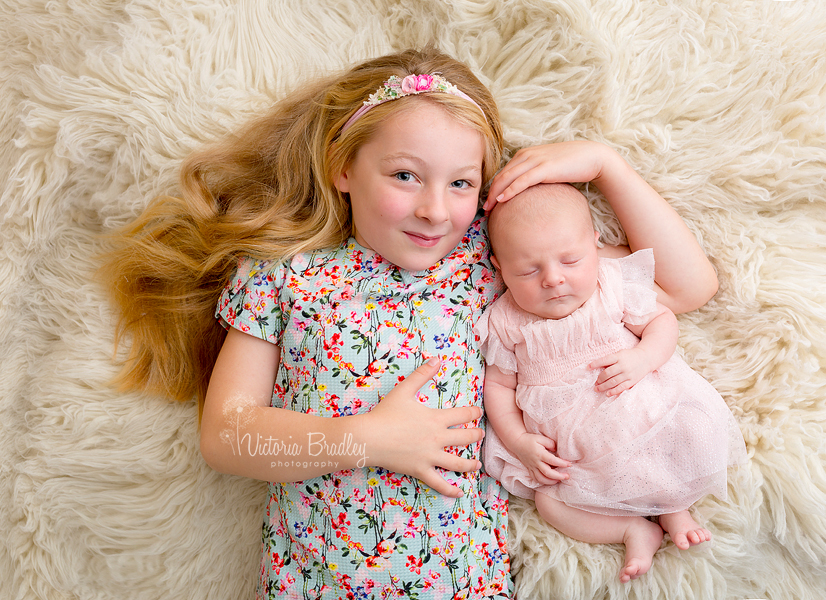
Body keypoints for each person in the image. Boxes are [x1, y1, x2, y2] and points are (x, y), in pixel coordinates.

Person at [102, 46, 719, 599]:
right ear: (343, 168)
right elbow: (226, 437)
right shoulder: (282, 277)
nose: (433, 209)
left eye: (460, 184)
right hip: (316, 581)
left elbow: (688, 286)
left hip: (463, 582)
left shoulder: (488, 262)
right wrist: (369, 439)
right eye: (404, 175)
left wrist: (607, 167)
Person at [476, 182, 747, 585]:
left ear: (595, 245)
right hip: (575, 458)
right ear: (498, 267)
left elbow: (660, 321)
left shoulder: (611, 285)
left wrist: (643, 358)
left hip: (641, 414)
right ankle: (632, 528)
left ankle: (674, 509)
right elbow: (498, 387)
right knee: (551, 504)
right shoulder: (505, 321)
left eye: (570, 260)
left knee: (687, 433)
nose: (553, 279)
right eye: (528, 270)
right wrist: (517, 441)